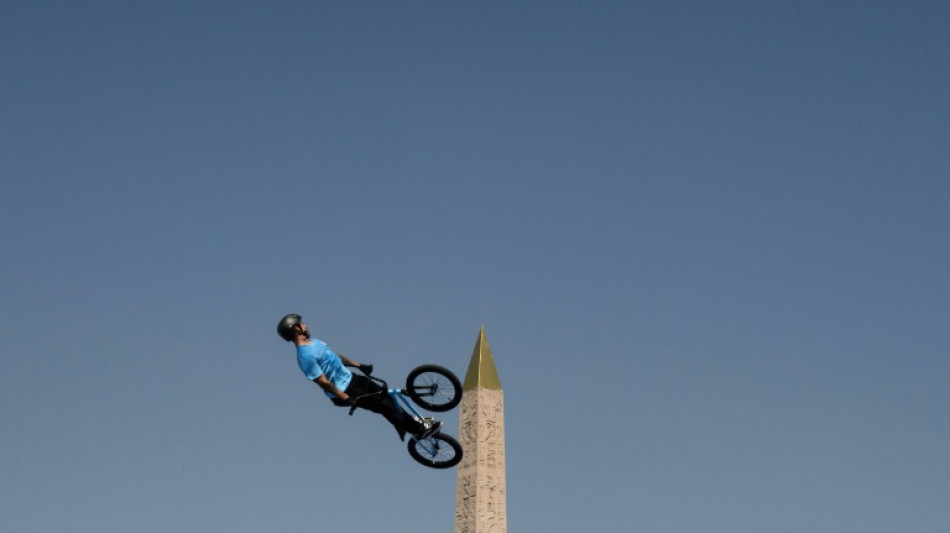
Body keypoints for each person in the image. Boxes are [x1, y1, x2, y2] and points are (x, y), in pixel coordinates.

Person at [277, 314, 441, 441]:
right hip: (346, 391)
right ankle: (420, 432)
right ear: (297, 329)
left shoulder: (315, 342)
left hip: (353, 378)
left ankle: (410, 423)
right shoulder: (304, 356)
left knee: (388, 397)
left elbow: (336, 357)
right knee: (385, 407)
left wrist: (359, 365)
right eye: (302, 323)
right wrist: (345, 398)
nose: (306, 325)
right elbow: (322, 382)